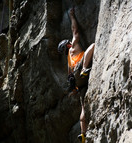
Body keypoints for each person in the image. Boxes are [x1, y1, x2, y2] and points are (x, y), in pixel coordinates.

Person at [58, 8, 95, 143]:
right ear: (67, 45)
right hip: (80, 71)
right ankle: (86, 68)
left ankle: (83, 134)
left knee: (83, 106)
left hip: (79, 83)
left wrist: (74, 90)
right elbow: (76, 31)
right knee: (92, 46)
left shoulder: (68, 61)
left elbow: (70, 79)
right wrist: (72, 16)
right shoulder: (73, 47)